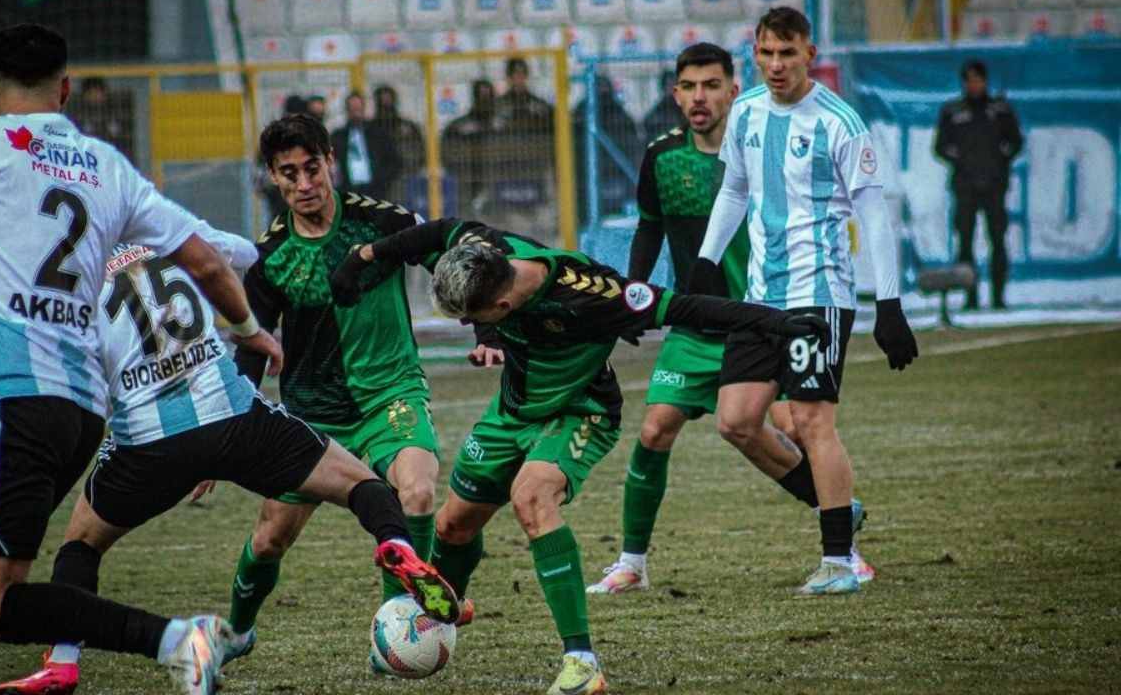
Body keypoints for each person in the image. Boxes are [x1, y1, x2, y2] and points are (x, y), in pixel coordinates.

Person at [0, 23, 279, 695]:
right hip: (79, 414)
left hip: (10, 397)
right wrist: (248, 329)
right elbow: (205, 260)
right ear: (66, 89)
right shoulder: (105, 166)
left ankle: (174, 639)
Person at [328, 218, 831, 694]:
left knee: (531, 497)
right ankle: (437, 617)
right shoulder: (481, 245)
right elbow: (434, 233)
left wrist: (781, 324)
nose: (466, 323)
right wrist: (364, 256)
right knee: (452, 529)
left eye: (472, 319)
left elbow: (690, 308)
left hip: (581, 410)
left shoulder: (593, 295)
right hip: (513, 412)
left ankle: (582, 663)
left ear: (502, 305)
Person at [0, 221, 458, 694]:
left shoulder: (61, 281)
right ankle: (394, 541)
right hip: (232, 415)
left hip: (149, 440)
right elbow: (240, 255)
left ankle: (62, 662)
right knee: (365, 486)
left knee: (81, 545)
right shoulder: (163, 233)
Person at [586, 42, 873, 594]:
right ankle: (632, 563)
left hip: (761, 320)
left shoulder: (759, 146)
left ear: (733, 91)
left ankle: (844, 545)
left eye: (711, 85)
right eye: (689, 87)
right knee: (653, 430)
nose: (700, 97)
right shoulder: (661, 156)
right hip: (696, 324)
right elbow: (649, 227)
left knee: (798, 427)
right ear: (675, 94)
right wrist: (633, 293)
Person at [693, 7, 919, 596]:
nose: (775, 65)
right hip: (759, 297)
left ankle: (840, 560)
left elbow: (873, 211)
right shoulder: (743, 113)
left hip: (818, 295)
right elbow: (735, 191)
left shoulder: (840, 123)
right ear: (755, 53)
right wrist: (705, 261)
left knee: (812, 421)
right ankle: (839, 508)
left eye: (787, 53)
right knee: (737, 422)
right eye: (766, 53)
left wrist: (888, 305)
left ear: (809, 54)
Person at [220, 113, 450, 667]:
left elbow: (446, 255)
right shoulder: (270, 256)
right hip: (313, 414)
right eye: (288, 173)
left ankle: (397, 625)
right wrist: (226, 424)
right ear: (273, 178)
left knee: (416, 492)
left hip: (389, 392)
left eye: (312, 169)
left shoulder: (382, 223)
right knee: (271, 538)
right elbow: (251, 347)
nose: (303, 185)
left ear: (330, 161)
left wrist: (489, 328)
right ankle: (238, 631)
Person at [934, 60, 1022, 310]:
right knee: (965, 240)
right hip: (965, 185)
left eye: (979, 80)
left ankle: (998, 296)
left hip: (994, 184)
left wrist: (999, 161)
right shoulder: (953, 112)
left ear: (986, 82)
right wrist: (962, 161)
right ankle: (970, 297)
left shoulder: (1000, 109)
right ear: (964, 83)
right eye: (970, 81)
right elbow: (940, 147)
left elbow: (1015, 141)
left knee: (997, 238)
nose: (975, 85)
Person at [572, 73, 643, 223]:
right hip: (589, 179)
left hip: (615, 177)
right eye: (599, 88)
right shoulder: (579, 115)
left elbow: (633, 148)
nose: (602, 92)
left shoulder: (620, 115)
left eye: (604, 88)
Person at [441, 79, 501, 214]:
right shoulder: (458, 126)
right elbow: (445, 152)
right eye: (481, 96)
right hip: (468, 180)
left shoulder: (503, 125)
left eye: (487, 96)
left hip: (500, 181)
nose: (484, 100)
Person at [331, 90, 402, 200]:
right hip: (349, 191)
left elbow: (394, 161)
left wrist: (381, 180)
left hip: (375, 191)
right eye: (352, 107)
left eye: (358, 107)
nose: (355, 110)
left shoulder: (378, 133)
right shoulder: (339, 136)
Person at [66, 76, 134, 163]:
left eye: (98, 92)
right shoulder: (77, 118)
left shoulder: (115, 115)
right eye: (91, 93)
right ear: (84, 96)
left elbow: (124, 142)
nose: (95, 97)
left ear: (104, 94)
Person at [373, 83, 426, 180]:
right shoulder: (371, 128)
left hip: (406, 176)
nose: (386, 101)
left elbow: (421, 149)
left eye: (388, 98)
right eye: (383, 98)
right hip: (381, 179)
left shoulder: (408, 126)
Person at [641, 70, 683, 144]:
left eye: (674, 84)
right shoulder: (662, 106)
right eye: (669, 85)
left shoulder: (683, 106)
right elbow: (647, 122)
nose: (671, 88)